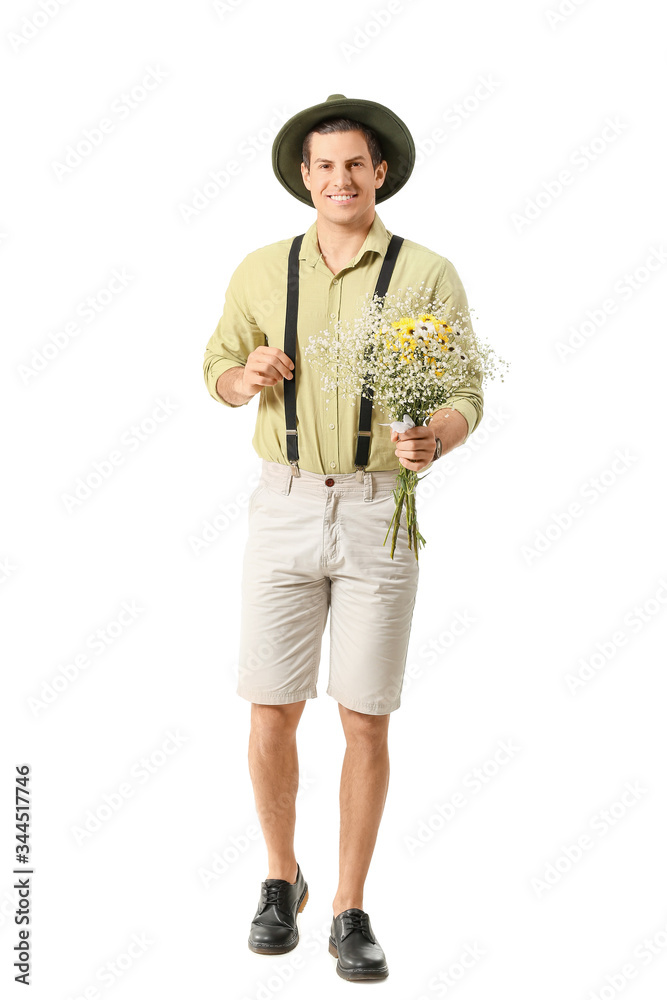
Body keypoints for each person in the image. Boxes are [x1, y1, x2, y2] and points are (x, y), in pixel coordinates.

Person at [203, 93, 484, 983]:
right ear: (303, 176)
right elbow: (215, 366)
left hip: (375, 509)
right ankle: (279, 879)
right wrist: (243, 377)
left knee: (365, 717)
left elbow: (464, 390)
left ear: (381, 172)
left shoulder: (425, 272)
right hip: (282, 505)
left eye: (355, 165)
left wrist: (430, 437)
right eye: (324, 166)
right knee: (270, 706)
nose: (339, 180)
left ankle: (348, 906)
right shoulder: (259, 269)